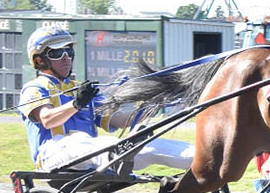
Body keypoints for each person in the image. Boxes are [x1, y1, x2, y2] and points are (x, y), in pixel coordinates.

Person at [18, 26, 194, 172]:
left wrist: (152, 104)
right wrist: (76, 104)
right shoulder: (35, 88)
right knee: (81, 141)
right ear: (40, 60)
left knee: (151, 145)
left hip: (92, 156)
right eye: (56, 53)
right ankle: (116, 154)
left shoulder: (82, 89)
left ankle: (206, 160)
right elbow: (47, 120)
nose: (66, 58)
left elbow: (122, 121)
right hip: (53, 155)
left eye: (68, 51)